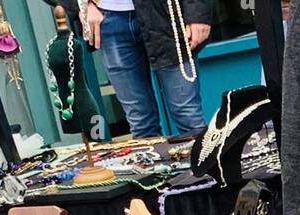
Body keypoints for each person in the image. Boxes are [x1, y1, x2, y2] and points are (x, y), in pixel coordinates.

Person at [80, 0, 212, 138]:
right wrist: (84, 5)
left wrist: (198, 13)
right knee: (141, 125)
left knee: (188, 116)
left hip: (167, 14)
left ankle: (205, 159)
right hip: (107, 17)